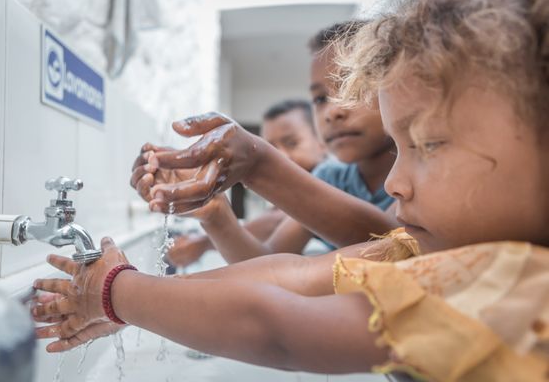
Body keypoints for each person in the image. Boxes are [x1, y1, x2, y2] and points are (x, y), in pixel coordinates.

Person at [32, 0, 549, 380]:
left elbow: (277, 327)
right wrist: (133, 299)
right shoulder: (431, 250)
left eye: (429, 144)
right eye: (400, 145)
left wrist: (120, 294)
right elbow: (284, 275)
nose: (396, 182)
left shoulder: (524, 286)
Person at [166, 21, 398, 265]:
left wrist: (258, 163)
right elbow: (266, 262)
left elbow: (397, 247)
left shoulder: (416, 175)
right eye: (320, 98)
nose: (332, 112)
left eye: (353, 88)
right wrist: (215, 213)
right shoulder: (330, 177)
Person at [167, 99, 327, 267]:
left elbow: (275, 221)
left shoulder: (328, 175)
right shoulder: (283, 196)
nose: (282, 156)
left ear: (321, 142)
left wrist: (203, 243)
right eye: (272, 147)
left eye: (292, 143)